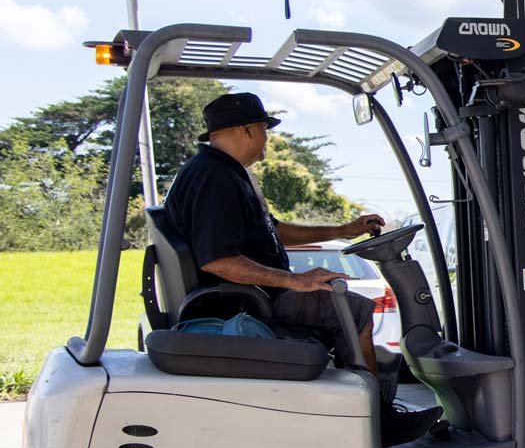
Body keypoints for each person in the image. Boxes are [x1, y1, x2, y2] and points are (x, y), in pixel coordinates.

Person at [162, 92, 387, 377]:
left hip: (250, 296)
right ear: (248, 129)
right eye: (264, 129)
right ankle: (377, 413)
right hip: (246, 302)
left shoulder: (224, 172)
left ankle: (358, 398)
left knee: (343, 304)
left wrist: (343, 230)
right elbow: (218, 261)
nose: (266, 139)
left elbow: (274, 230)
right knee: (355, 310)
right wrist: (295, 280)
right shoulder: (214, 178)